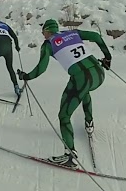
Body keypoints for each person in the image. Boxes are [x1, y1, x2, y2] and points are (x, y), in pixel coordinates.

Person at [17, 19, 112, 168]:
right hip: (99, 74)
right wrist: (108, 57)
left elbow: (41, 69)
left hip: (81, 78)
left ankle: (70, 156)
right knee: (83, 92)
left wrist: (26, 76)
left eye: (43, 32)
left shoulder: (48, 45)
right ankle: (89, 122)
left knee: (64, 115)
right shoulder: (71, 33)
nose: (43, 35)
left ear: (47, 31)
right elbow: (97, 37)